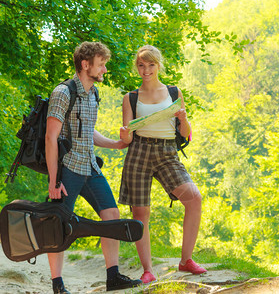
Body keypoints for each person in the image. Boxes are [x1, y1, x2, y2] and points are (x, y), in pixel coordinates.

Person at [45, 41, 142, 293]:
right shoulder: (63, 92)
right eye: (101, 65)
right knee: (58, 224)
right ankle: (57, 284)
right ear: (85, 64)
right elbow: (50, 137)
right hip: (67, 170)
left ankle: (113, 277)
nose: (105, 70)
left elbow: (89, 133)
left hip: (89, 167)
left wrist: (118, 144)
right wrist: (54, 181)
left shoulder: (92, 93)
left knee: (112, 216)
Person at [119, 45, 207, 284]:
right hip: (139, 152)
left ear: (158, 65)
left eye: (150, 65)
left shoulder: (174, 92)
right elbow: (126, 139)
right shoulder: (130, 98)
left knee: (194, 198)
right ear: (137, 67)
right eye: (141, 65)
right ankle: (147, 269)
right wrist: (125, 133)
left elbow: (186, 134)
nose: (145, 70)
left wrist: (184, 119)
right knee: (141, 213)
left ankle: (186, 260)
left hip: (167, 152)